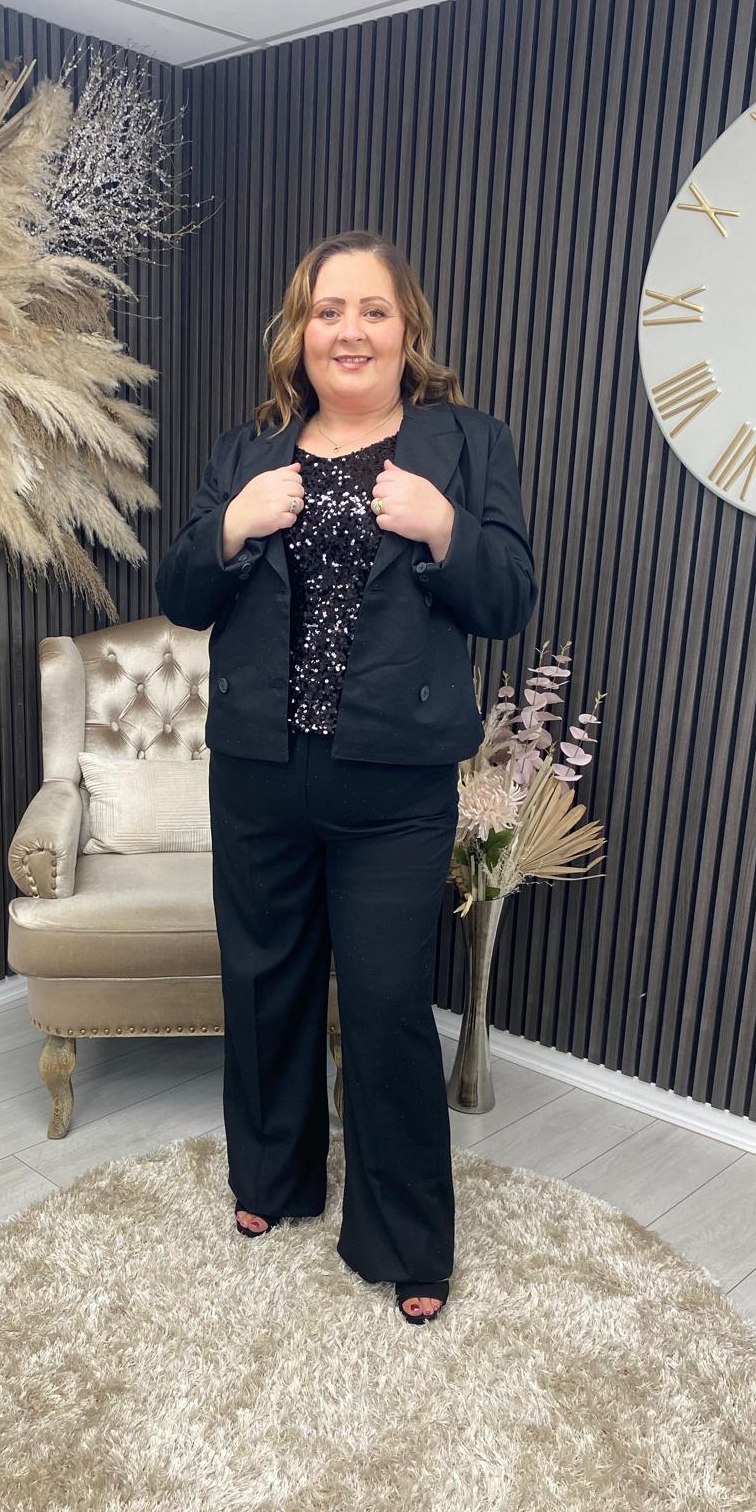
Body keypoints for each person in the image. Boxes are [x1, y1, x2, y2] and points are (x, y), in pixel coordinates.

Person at [155, 230, 538, 1323]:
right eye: (329, 311)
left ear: (406, 329)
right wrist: (232, 527)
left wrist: (445, 527)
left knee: (382, 1006)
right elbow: (182, 594)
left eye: (373, 310)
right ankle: (272, 1178)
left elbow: (508, 598)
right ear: (301, 331)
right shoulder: (247, 452)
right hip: (260, 770)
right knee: (262, 984)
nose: (350, 331)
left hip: (394, 783)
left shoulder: (465, 445)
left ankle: (404, 1238)